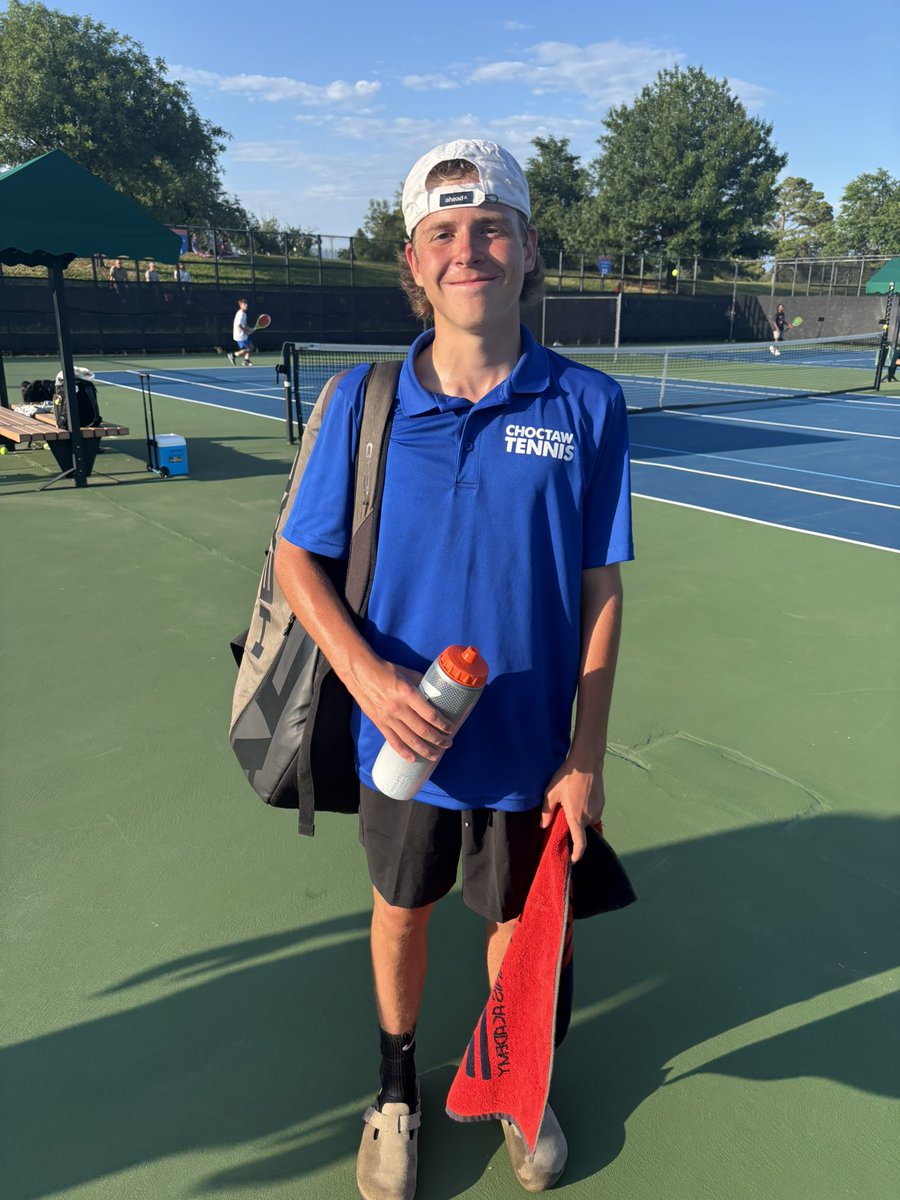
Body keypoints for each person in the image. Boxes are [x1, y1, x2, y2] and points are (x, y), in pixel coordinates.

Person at [274, 139, 633, 1199]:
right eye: (443, 233)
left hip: (532, 750)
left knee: (517, 928)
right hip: (406, 743)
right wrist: (374, 684)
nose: (467, 249)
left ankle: (516, 1078)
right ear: (414, 262)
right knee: (402, 911)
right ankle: (396, 1091)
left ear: (527, 251)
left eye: (490, 230)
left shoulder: (589, 406)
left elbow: (602, 591)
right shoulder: (361, 402)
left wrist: (586, 753)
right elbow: (299, 558)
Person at [228, 299, 253, 366]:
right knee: (247, 349)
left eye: (246, 304)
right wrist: (247, 332)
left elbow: (245, 324)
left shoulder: (244, 313)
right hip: (239, 335)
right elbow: (239, 325)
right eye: (244, 304)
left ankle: (246, 361)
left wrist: (249, 329)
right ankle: (233, 355)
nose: (246, 305)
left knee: (251, 347)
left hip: (244, 334)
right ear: (240, 306)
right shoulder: (240, 314)